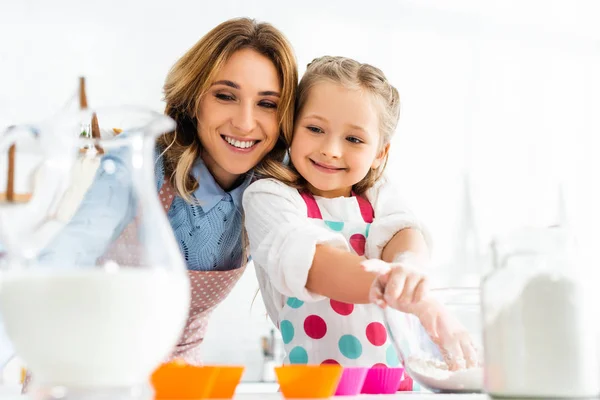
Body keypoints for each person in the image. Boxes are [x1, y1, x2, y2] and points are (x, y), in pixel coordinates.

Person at [0, 17, 298, 369]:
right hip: (89, 370)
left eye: (267, 104)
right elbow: (67, 254)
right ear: (194, 99)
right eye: (225, 96)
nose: (246, 123)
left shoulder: (272, 189)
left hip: (181, 380)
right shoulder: (140, 166)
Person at [243, 56, 477, 369]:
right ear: (291, 128)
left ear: (380, 153)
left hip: (396, 386)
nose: (331, 150)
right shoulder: (270, 198)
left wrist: (409, 268)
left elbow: (404, 232)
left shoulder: (379, 195)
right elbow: (313, 263)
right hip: (315, 388)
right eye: (315, 128)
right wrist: (412, 297)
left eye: (354, 139)